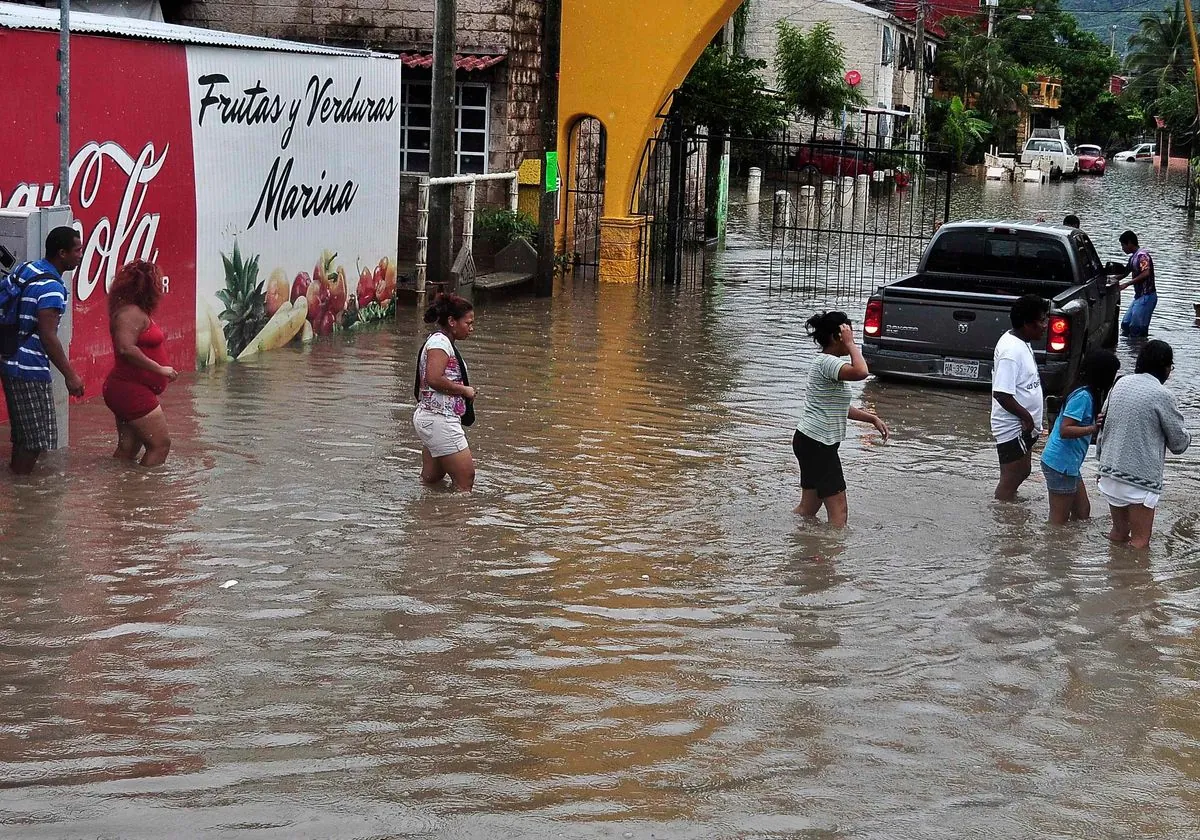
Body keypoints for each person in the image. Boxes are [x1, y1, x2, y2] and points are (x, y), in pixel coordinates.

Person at [0, 226, 85, 474]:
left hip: (10, 359)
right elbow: (48, 337)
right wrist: (71, 375)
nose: (80, 255)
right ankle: (22, 489)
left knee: (25, 436)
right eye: (77, 250)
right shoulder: (52, 289)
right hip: (28, 368)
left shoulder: (29, 268)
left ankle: (18, 484)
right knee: (36, 440)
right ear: (62, 253)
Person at [793, 311, 888, 528]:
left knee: (807, 511)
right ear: (837, 338)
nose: (851, 341)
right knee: (840, 515)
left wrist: (871, 418)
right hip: (819, 444)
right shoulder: (827, 362)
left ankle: (797, 546)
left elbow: (840, 407)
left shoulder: (829, 365)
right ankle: (829, 557)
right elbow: (862, 371)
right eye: (847, 335)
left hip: (809, 441)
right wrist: (851, 344)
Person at [1096, 340, 1190, 549]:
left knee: (1118, 533)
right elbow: (1179, 444)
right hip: (1139, 481)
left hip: (1110, 473)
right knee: (1140, 542)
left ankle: (1111, 576)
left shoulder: (1119, 384)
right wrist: (1188, 436)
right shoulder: (1163, 395)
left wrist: (1100, 465)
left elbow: (1104, 424)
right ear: (1165, 367)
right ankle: (1135, 580)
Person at [102, 260, 178, 466]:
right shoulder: (130, 313)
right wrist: (160, 369)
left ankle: (121, 491)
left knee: (128, 449)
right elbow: (126, 349)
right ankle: (145, 496)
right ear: (148, 286)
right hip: (130, 390)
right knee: (160, 445)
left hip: (127, 389)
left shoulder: (133, 311)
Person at [1039, 349, 1120, 524]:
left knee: (1083, 513)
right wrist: (1092, 428)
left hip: (1066, 463)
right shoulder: (1083, 396)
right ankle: (1053, 549)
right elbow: (1065, 430)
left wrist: (1092, 423)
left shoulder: (1084, 392)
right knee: (1058, 523)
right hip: (1060, 465)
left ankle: (1072, 549)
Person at [413, 292, 477, 491]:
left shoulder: (441, 342)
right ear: (451, 321)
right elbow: (433, 378)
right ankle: (458, 521)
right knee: (465, 480)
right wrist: (464, 391)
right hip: (440, 420)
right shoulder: (440, 343)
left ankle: (426, 513)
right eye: (468, 323)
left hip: (432, 418)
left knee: (432, 479)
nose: (471, 329)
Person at [992, 294, 1049, 501]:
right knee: (1012, 476)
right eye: (1042, 320)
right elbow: (1001, 393)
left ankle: (1011, 508)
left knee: (1022, 471)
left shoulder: (1021, 340)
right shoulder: (1011, 351)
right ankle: (1002, 516)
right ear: (1026, 324)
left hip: (1023, 425)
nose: (1046, 325)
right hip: (1012, 427)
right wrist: (1026, 417)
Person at [1112, 230, 1156, 336]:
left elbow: (1146, 273)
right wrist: (1110, 280)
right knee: (1126, 324)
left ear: (1130, 243)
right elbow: (1124, 273)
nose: (1122, 248)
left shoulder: (1142, 256)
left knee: (1136, 328)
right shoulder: (1133, 257)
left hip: (1147, 296)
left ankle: (1140, 348)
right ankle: (1132, 348)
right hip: (1139, 297)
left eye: (1123, 245)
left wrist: (1127, 284)